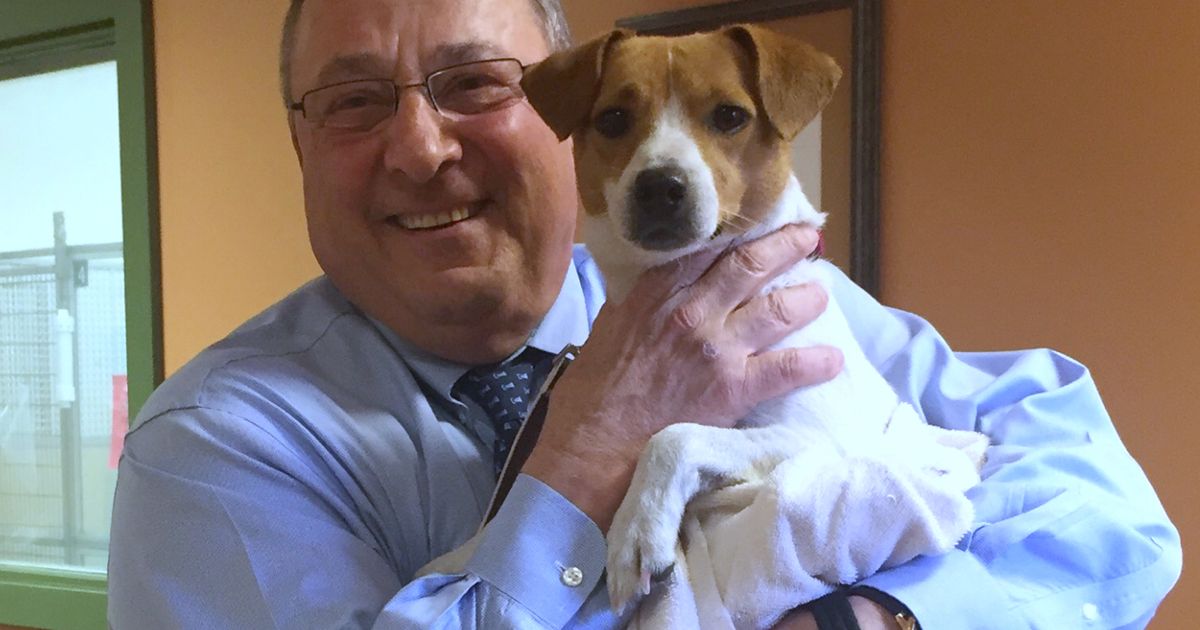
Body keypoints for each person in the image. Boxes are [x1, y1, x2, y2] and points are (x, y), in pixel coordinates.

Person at [106, 0, 1181, 627]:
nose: (422, 150)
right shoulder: (211, 453)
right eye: (353, 101)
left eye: (475, 84)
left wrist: (891, 616)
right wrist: (585, 457)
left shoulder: (751, 292)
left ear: (546, 116)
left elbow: (1101, 495)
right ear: (298, 144)